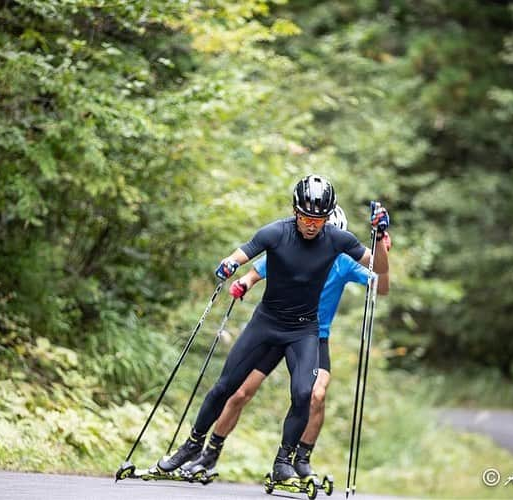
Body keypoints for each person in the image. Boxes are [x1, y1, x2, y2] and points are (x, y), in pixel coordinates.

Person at [155, 174, 390, 484]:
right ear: (295, 211)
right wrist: (231, 266)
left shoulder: (337, 242)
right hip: (266, 325)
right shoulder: (277, 233)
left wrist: (381, 238)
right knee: (227, 387)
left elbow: (379, 271)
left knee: (305, 392)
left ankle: (285, 461)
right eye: (306, 216)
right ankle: (193, 446)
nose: (311, 224)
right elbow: (246, 252)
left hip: (305, 331)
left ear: (327, 219)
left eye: (318, 219)